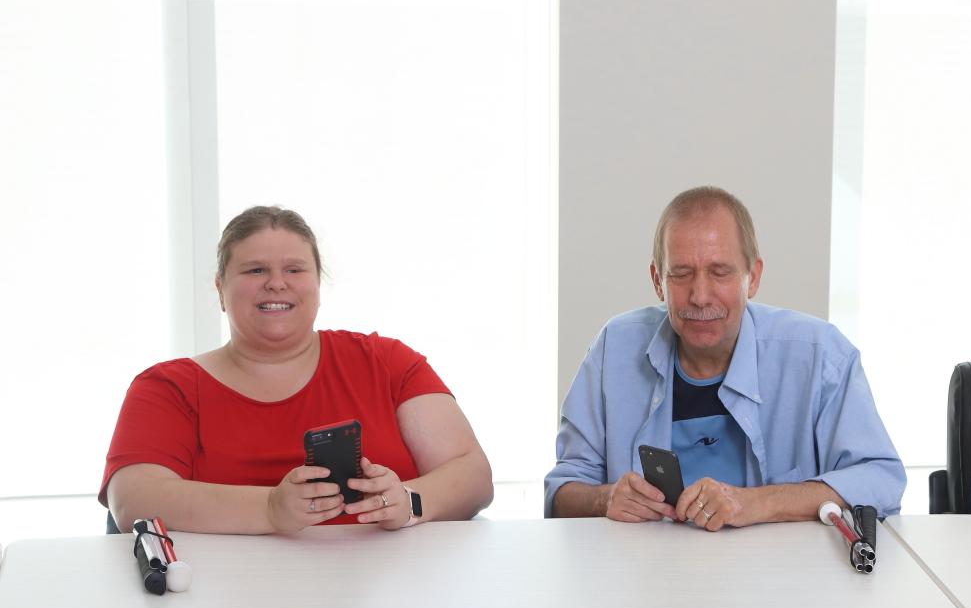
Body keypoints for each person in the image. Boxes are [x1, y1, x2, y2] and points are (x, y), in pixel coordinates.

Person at [102, 206, 493, 534]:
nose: (276, 284)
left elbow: (472, 473)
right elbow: (133, 499)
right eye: (255, 270)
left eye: (294, 269)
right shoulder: (167, 387)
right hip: (225, 594)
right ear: (220, 289)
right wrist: (271, 509)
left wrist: (409, 502)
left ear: (318, 284)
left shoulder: (388, 362)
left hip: (392, 592)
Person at [545, 186, 904, 529]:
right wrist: (604, 499)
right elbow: (560, 493)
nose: (700, 296)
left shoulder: (820, 354)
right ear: (657, 281)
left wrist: (758, 503)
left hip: (781, 569)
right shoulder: (614, 347)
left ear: (753, 277)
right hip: (643, 567)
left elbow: (881, 480)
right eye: (681, 274)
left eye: (720, 273)